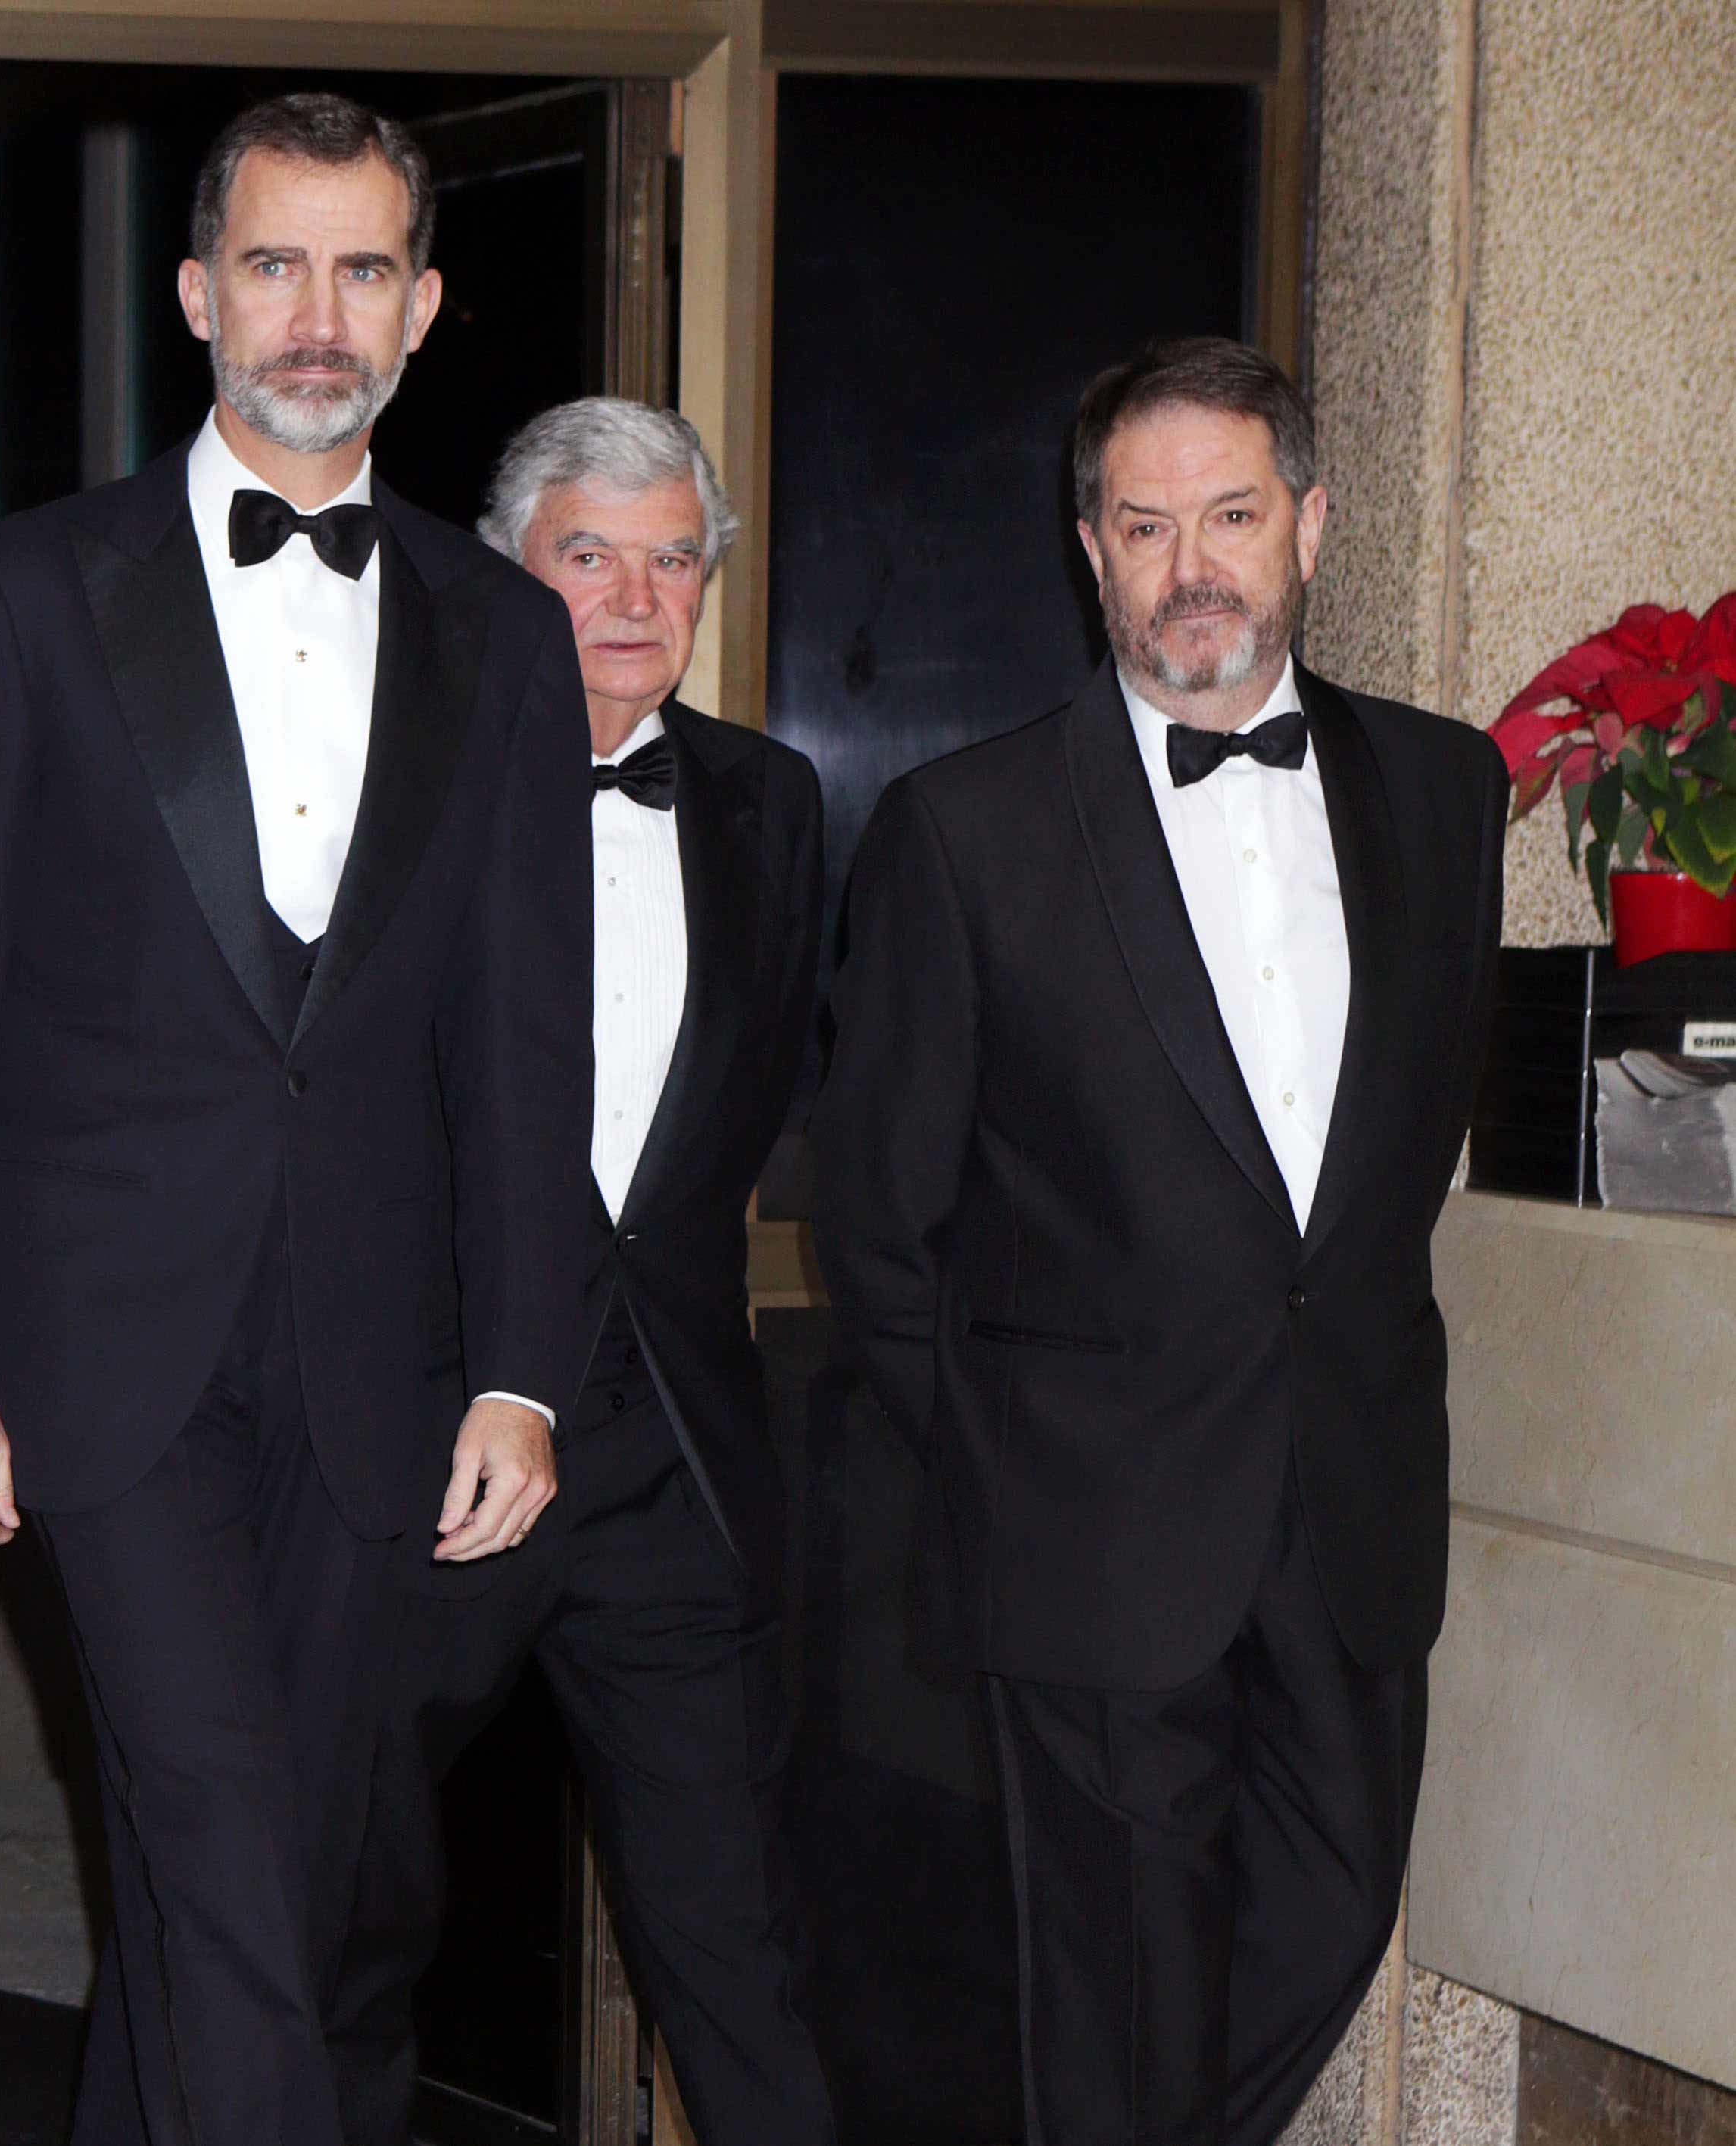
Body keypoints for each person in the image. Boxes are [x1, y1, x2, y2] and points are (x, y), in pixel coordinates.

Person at [0, 94, 597, 2146]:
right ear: (195, 293)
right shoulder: (18, 596)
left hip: (381, 1356)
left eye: (363, 268)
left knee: (264, 1882)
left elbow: (532, 1038)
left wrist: (525, 1367)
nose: (316, 314)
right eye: (273, 262)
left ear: (425, 304)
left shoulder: (502, 635)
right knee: (228, 1856)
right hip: (104, 1358)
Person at [815, 336, 1507, 2145]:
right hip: (1085, 1526)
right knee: (1123, 1986)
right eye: (1143, 525)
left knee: (1334, 1901)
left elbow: (1403, 1140)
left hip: (1346, 1500)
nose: (1189, 564)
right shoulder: (960, 831)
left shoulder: (1445, 796)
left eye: (1227, 515)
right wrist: (1000, 1463)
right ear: (1086, 549)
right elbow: (877, 1223)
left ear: (1309, 524)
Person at [329, 398, 838, 2145]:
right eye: (585, 555)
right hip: (425, 1450)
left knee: (737, 1948)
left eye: (669, 556)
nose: (632, 595)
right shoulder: (381, 793)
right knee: (344, 1920)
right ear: (502, 570)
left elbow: (768, 1110)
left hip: (670, 1465)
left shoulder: (775, 809)